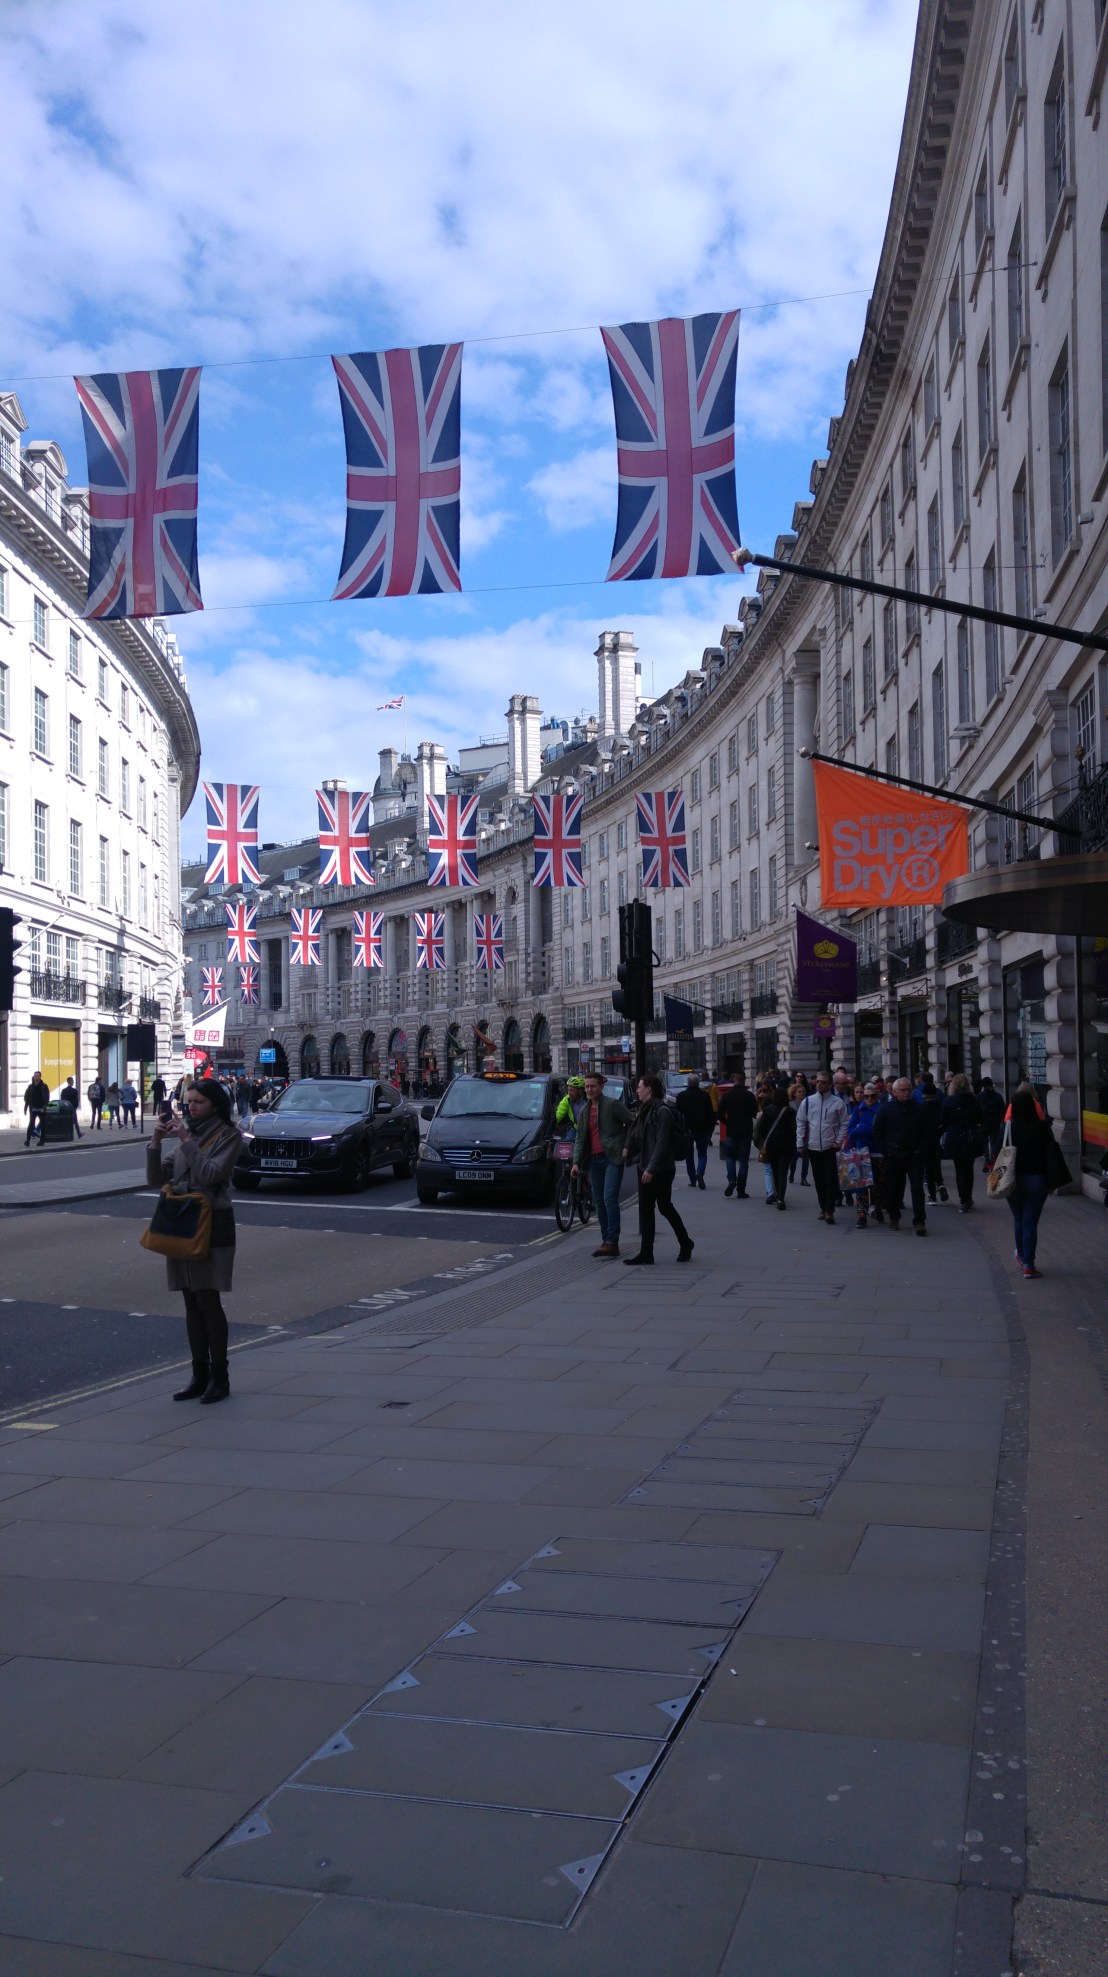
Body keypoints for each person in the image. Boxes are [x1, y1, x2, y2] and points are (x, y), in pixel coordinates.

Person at [146, 1078, 244, 1403]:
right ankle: (198, 1374)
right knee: (190, 1299)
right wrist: (156, 1141)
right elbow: (156, 1178)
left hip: (212, 1223)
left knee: (207, 1299)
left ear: (214, 1104)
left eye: (198, 1102)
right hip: (182, 1222)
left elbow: (210, 1175)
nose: (191, 1107)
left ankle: (220, 1376)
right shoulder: (190, 1136)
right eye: (189, 1102)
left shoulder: (228, 1136)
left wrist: (186, 1139)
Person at [621, 1072, 694, 1265]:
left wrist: (651, 1169)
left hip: (660, 1169)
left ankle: (685, 1242)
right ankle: (646, 1253)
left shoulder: (662, 1111)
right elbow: (634, 1130)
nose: (637, 1090)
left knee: (665, 1207)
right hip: (644, 1165)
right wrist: (628, 1148)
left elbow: (661, 1143)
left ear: (649, 1089)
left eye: (640, 1086)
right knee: (645, 1210)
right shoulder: (644, 1108)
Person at [572, 1070, 633, 1258]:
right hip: (594, 1160)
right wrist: (576, 1162)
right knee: (598, 1202)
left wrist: (626, 1146)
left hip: (612, 1158)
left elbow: (632, 1123)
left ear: (601, 1087)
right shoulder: (584, 1111)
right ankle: (606, 1241)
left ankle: (612, 1241)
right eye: (587, 1086)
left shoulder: (613, 1105)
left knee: (609, 1199)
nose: (589, 1089)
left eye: (593, 1086)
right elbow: (581, 1138)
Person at [1006, 1085, 1054, 1278]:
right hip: (1037, 1178)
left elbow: (997, 1152)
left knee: (1018, 1219)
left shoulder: (1009, 1127)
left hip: (1013, 1178)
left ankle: (1022, 1255)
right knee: (1030, 1221)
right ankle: (1028, 1264)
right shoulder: (1041, 1127)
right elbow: (1051, 1152)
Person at [871, 1076, 929, 1233]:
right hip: (894, 1155)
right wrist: (886, 1151)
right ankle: (894, 1217)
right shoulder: (886, 1109)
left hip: (914, 1155)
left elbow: (926, 1131)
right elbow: (877, 1132)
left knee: (917, 1187)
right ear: (894, 1092)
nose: (907, 1092)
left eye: (909, 1089)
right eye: (903, 1090)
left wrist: (920, 1149)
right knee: (894, 1188)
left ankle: (919, 1221)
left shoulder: (919, 1109)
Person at [795, 1071, 851, 1224]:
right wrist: (800, 1142)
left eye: (823, 1082)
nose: (820, 1084)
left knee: (830, 1180)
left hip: (830, 1147)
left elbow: (845, 1123)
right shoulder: (807, 1102)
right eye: (818, 1081)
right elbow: (801, 1122)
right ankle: (823, 1207)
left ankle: (830, 1209)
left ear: (830, 1084)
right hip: (813, 1146)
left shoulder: (837, 1103)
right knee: (818, 1180)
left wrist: (838, 1141)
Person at [939, 1074, 985, 1212]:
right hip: (970, 1137)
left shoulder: (948, 1100)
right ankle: (967, 1197)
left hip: (955, 1137)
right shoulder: (973, 1100)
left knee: (959, 1169)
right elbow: (981, 1118)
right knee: (968, 1169)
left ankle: (963, 1199)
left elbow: (943, 1120)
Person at [753, 1078, 795, 1209]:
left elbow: (761, 1129)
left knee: (775, 1170)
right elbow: (794, 1129)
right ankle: (781, 1198)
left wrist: (767, 1138)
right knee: (783, 1172)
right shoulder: (790, 1111)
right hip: (786, 1146)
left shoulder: (768, 1110)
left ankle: (776, 1195)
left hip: (771, 1145)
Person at [844, 1084, 883, 1227]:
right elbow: (851, 1131)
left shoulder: (881, 1110)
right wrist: (864, 1131)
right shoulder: (858, 1110)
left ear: (876, 1096)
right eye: (866, 1096)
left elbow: (880, 1131)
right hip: (860, 1152)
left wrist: (863, 1129)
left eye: (872, 1096)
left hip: (878, 1153)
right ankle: (862, 1215)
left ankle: (877, 1208)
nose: (869, 1099)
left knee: (878, 1186)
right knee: (861, 1187)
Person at [717, 1075, 758, 1198]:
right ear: (744, 1081)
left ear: (734, 1081)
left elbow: (719, 1114)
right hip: (746, 1131)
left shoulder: (727, 1095)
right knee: (744, 1160)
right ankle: (741, 1190)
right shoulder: (750, 1096)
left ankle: (731, 1180)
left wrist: (727, 1122)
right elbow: (754, 1113)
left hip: (731, 1130)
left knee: (730, 1157)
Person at [676, 1074, 715, 1190]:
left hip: (687, 1128)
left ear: (688, 1083)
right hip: (702, 1128)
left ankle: (692, 1179)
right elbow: (710, 1114)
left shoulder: (682, 1095)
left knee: (689, 1155)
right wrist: (710, 1130)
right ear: (698, 1083)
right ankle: (700, 1172)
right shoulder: (704, 1096)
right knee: (702, 1153)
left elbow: (678, 1113)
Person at [913, 1073, 947, 1202]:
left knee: (928, 1166)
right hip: (937, 1138)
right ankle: (941, 1184)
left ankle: (932, 1195)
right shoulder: (940, 1101)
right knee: (936, 1164)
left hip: (924, 1140)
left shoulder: (919, 1105)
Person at [787, 1073, 811, 1188]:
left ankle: (803, 1178)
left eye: (803, 1091)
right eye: (799, 1092)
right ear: (794, 1093)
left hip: (807, 1133)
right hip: (794, 1133)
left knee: (806, 1156)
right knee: (794, 1157)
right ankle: (791, 1173)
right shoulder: (791, 1105)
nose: (801, 1093)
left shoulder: (808, 1103)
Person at [976, 1076, 1006, 1168]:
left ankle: (987, 1158)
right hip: (995, 1122)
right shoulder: (997, 1096)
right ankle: (993, 1158)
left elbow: (976, 1110)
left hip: (983, 1122)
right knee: (994, 1142)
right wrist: (1003, 1121)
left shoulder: (979, 1096)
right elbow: (1003, 1110)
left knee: (984, 1141)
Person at [23, 1070, 50, 1147]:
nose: (36, 1077)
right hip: (33, 1108)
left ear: (40, 1077)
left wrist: (44, 1107)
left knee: (42, 1124)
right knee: (31, 1124)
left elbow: (46, 1098)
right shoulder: (31, 1087)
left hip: (41, 1108)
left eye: (37, 1076)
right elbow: (26, 1098)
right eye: (35, 1076)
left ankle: (42, 1141)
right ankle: (27, 1140)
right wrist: (25, 1107)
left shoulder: (44, 1086)